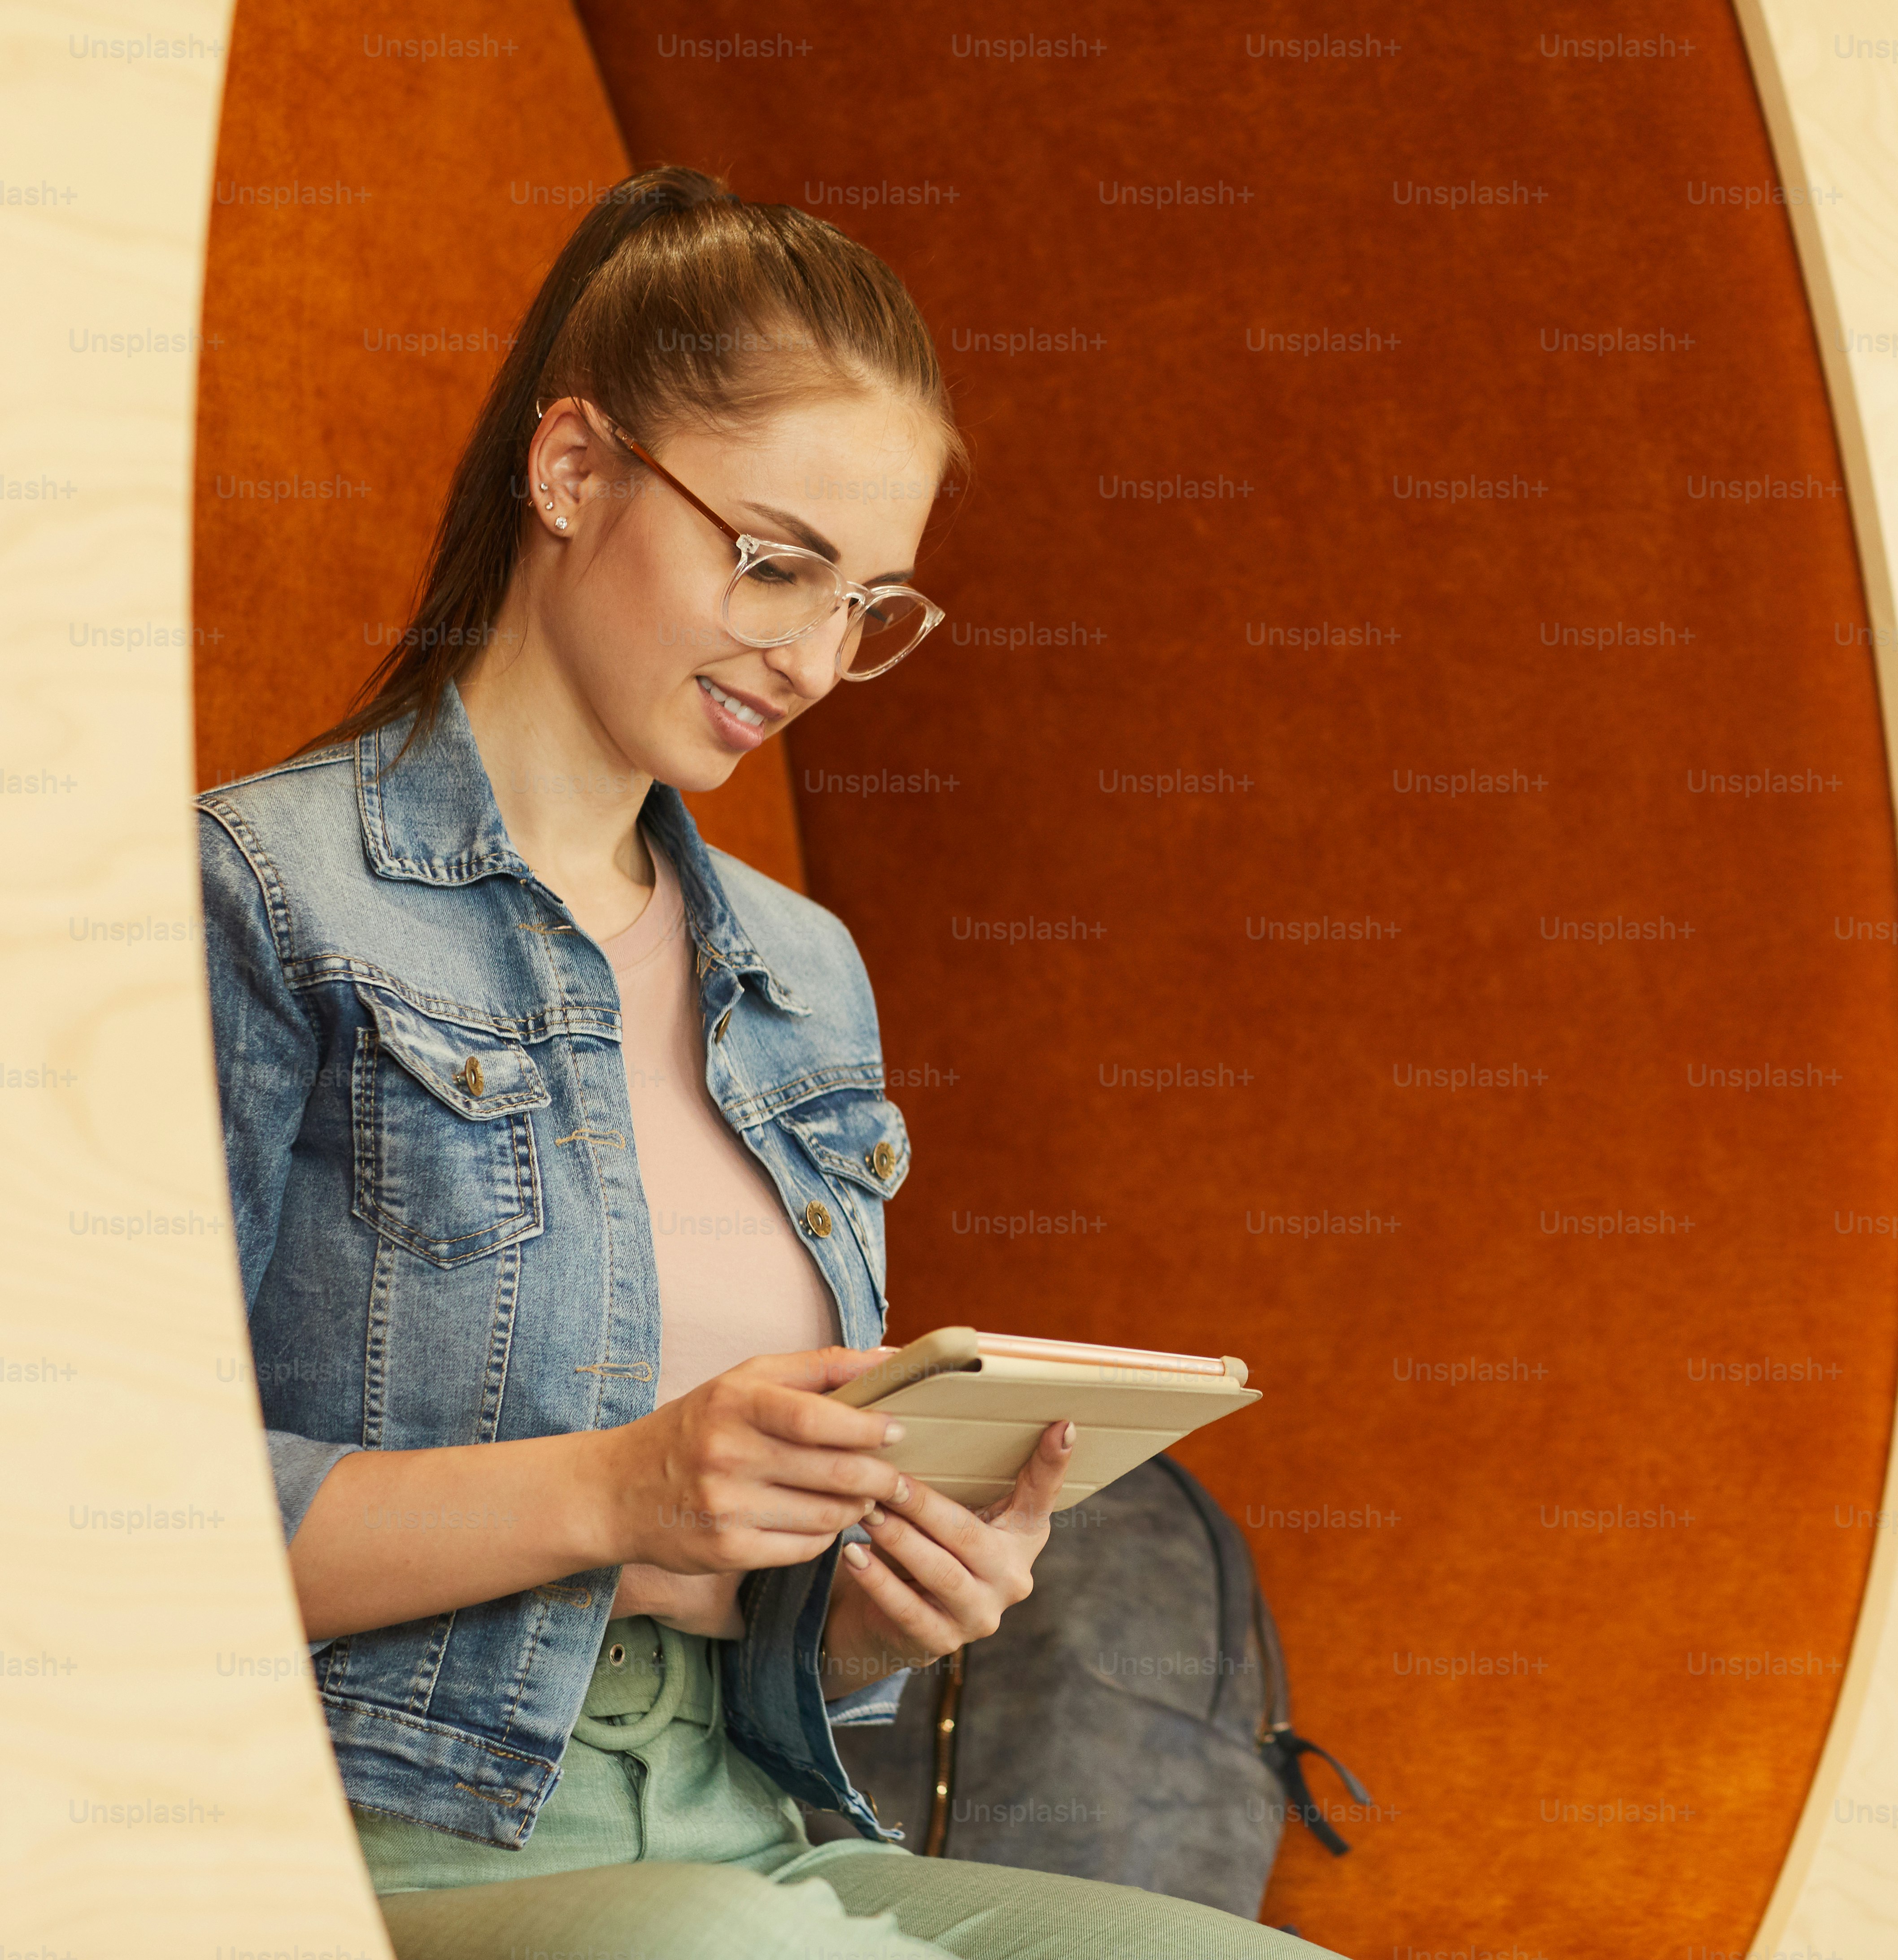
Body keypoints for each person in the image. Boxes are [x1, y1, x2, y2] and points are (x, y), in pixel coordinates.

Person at [199, 165, 1337, 1960]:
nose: (813, 659)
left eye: (870, 604)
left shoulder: (801, 976)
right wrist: (616, 1486)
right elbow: (88, 1519)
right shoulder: (259, 893)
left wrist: (880, 1611)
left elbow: (760, 1621)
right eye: (775, 561)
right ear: (573, 469)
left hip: (746, 1833)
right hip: (341, 1835)